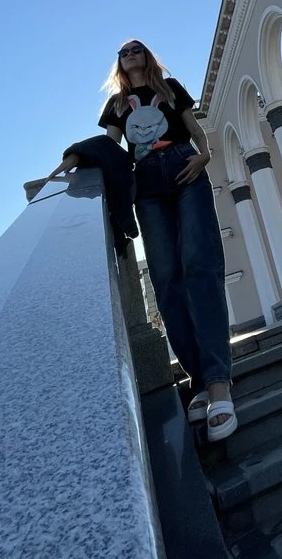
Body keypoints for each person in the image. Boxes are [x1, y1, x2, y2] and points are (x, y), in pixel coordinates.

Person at [98, 38, 236, 441]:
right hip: (147, 184)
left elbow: (194, 129)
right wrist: (79, 158)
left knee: (199, 264)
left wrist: (204, 155)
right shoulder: (118, 106)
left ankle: (217, 382)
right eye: (123, 52)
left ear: (147, 56)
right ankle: (197, 376)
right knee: (165, 279)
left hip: (184, 167)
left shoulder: (170, 90)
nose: (130, 54)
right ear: (119, 64)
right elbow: (110, 149)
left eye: (136, 48)